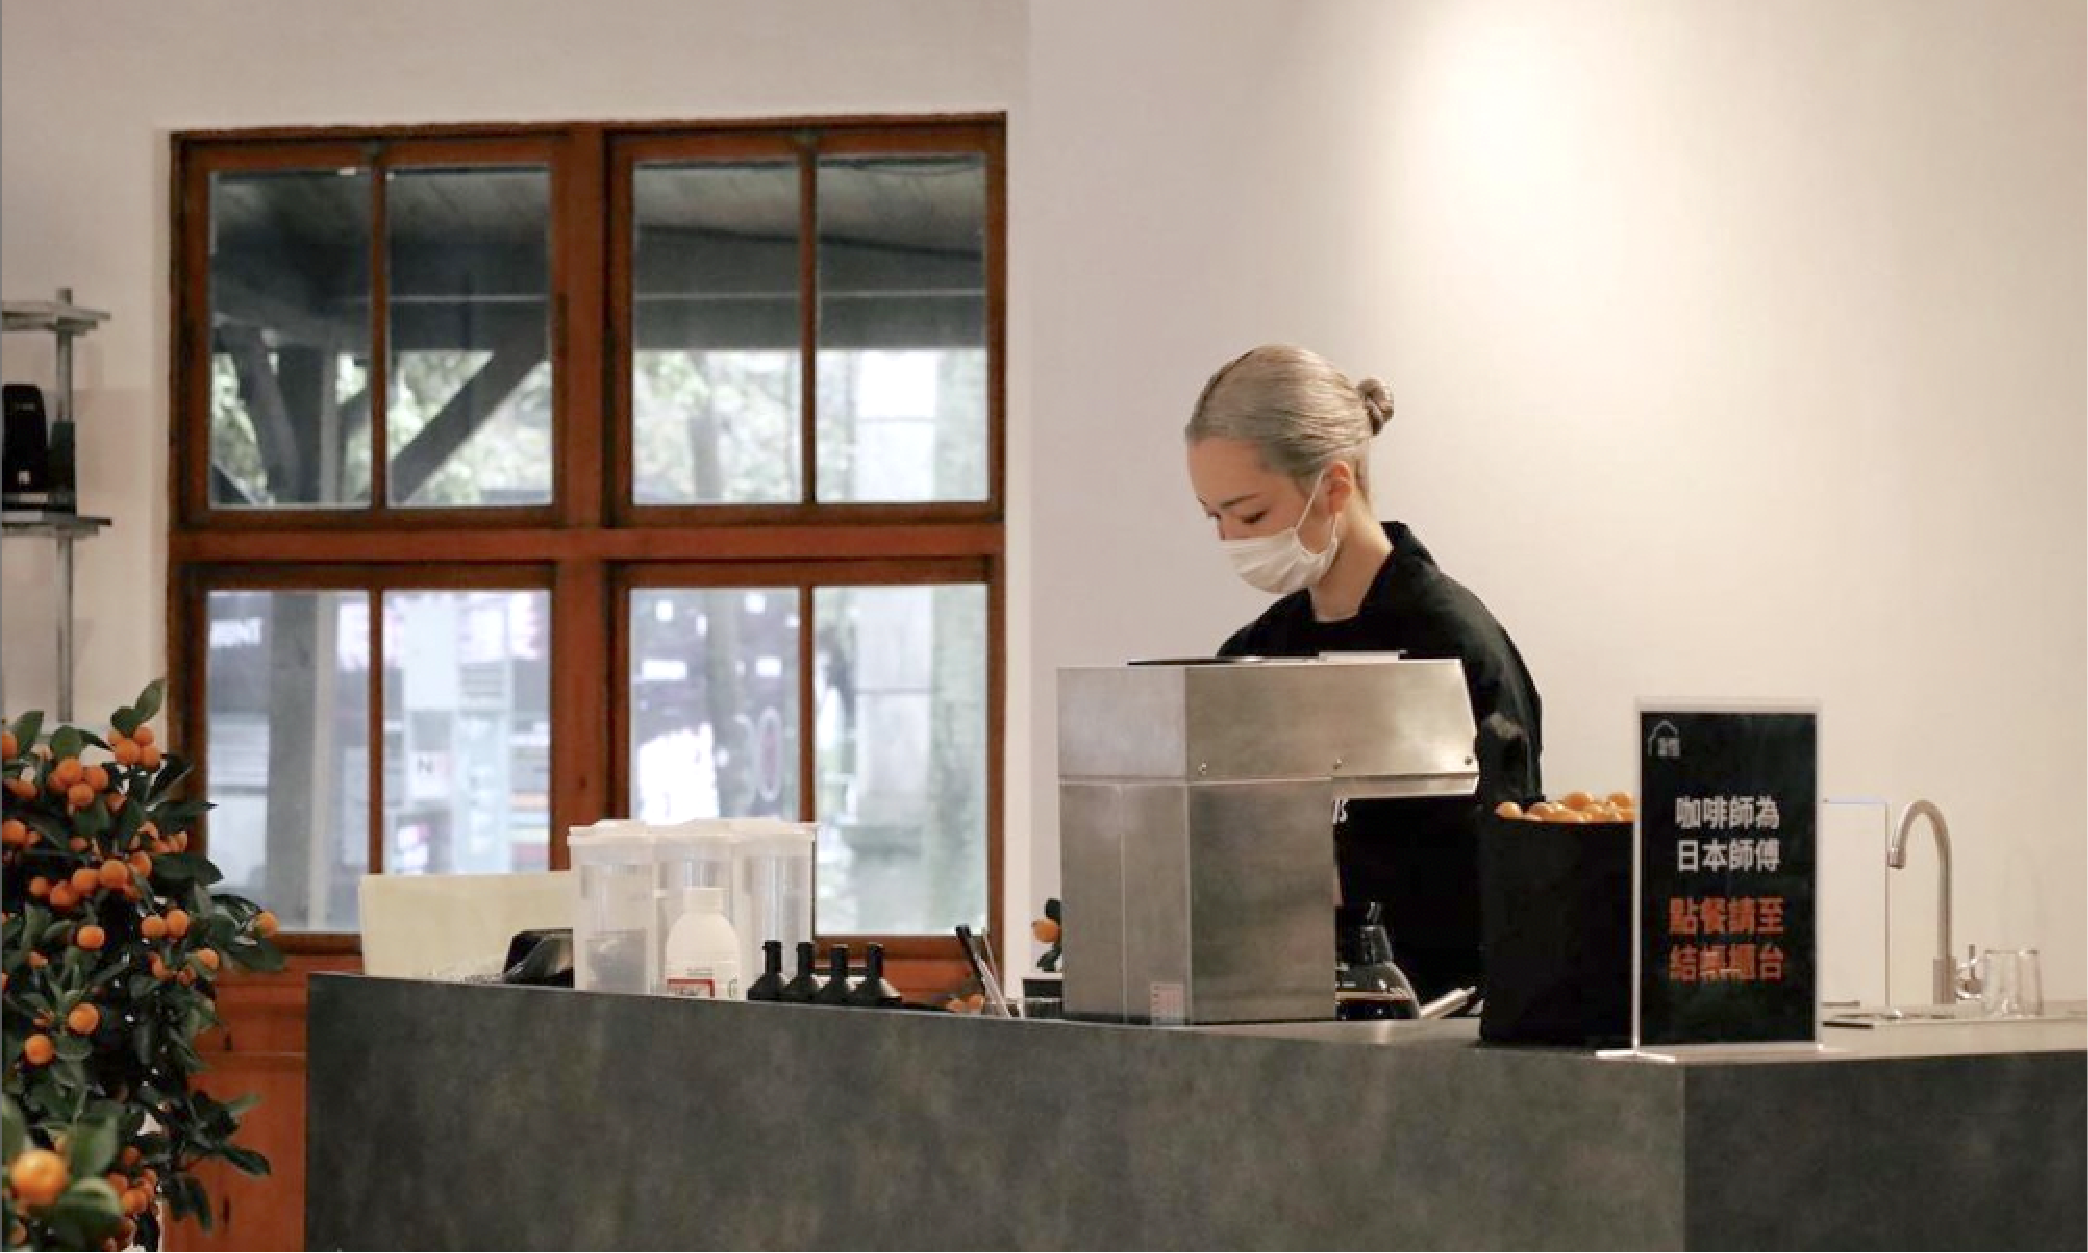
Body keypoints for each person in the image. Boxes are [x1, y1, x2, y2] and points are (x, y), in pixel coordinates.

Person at [1184, 344, 1543, 1001]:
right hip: (1274, 1015)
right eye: (1215, 516)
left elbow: (1506, 871)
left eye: (1251, 513)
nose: (1231, 539)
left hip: (1439, 1021)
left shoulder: (1454, 646)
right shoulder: (1256, 654)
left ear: (1334, 487)